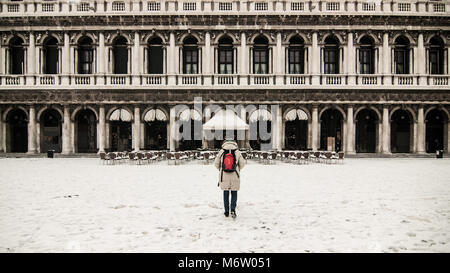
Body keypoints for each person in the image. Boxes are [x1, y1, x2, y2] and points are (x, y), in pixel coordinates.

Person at [214, 140, 246, 218]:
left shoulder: (221, 151)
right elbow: (242, 164)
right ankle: (233, 210)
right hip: (235, 174)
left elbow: (216, 163)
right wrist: (237, 169)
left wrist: (221, 169)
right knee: (234, 193)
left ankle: (226, 211)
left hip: (224, 175)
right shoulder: (237, 152)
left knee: (225, 193)